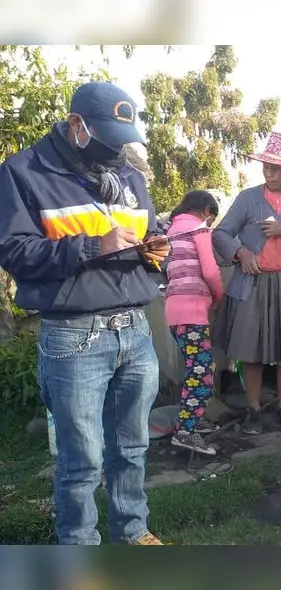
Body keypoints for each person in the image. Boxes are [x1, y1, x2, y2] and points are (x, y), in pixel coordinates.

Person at [0, 81, 170, 545]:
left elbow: (147, 229)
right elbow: (13, 250)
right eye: (108, 136)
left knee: (132, 449)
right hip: (75, 336)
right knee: (82, 461)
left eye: (123, 138)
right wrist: (93, 246)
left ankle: (132, 533)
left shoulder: (128, 174)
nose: (117, 147)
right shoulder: (23, 171)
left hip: (134, 330)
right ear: (77, 125)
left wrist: (155, 249)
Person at [212, 132, 281, 435]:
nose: (268, 172)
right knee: (251, 349)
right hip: (252, 284)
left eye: (275, 168)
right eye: (266, 167)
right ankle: (253, 409)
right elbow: (220, 233)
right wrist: (241, 252)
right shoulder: (248, 199)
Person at [163, 190, 224, 455]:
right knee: (202, 374)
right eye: (211, 218)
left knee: (194, 370)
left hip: (174, 311)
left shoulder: (170, 231)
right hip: (192, 310)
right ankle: (185, 432)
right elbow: (210, 270)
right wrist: (219, 295)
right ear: (206, 212)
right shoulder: (198, 229)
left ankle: (192, 422)